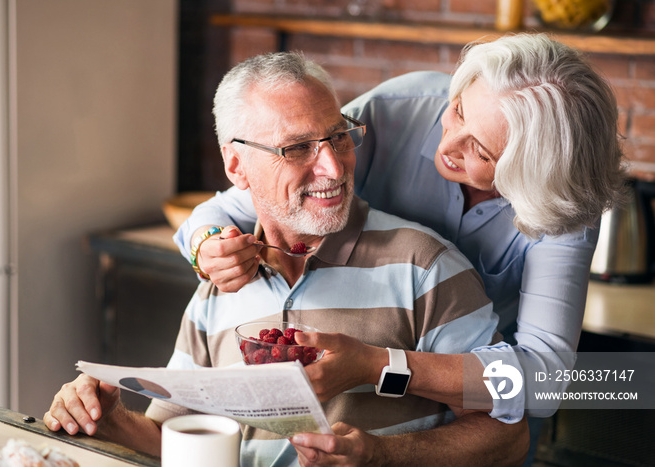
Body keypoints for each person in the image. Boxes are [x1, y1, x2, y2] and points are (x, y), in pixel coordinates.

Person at [44, 52, 529, 466]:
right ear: (236, 165)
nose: (334, 167)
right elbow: (178, 443)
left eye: (339, 136)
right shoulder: (218, 284)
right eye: (297, 148)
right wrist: (109, 421)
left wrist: (380, 456)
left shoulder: (425, 267)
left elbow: (509, 437)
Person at [175, 33, 626, 463]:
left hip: (485, 401)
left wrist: (377, 365)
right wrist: (205, 245)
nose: (447, 145)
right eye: (458, 112)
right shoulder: (392, 113)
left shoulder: (564, 202)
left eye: (482, 153)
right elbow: (257, 185)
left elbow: (543, 382)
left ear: (533, 175)